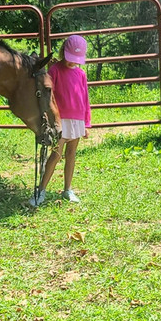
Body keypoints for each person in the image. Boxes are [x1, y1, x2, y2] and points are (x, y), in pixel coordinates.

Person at [32, 34, 91, 206]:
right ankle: (41, 191)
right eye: (70, 58)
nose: (73, 62)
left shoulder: (81, 74)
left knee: (71, 154)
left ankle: (68, 189)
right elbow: (48, 96)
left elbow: (85, 99)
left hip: (77, 119)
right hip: (60, 119)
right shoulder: (55, 70)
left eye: (76, 59)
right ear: (64, 52)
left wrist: (86, 123)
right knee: (56, 154)